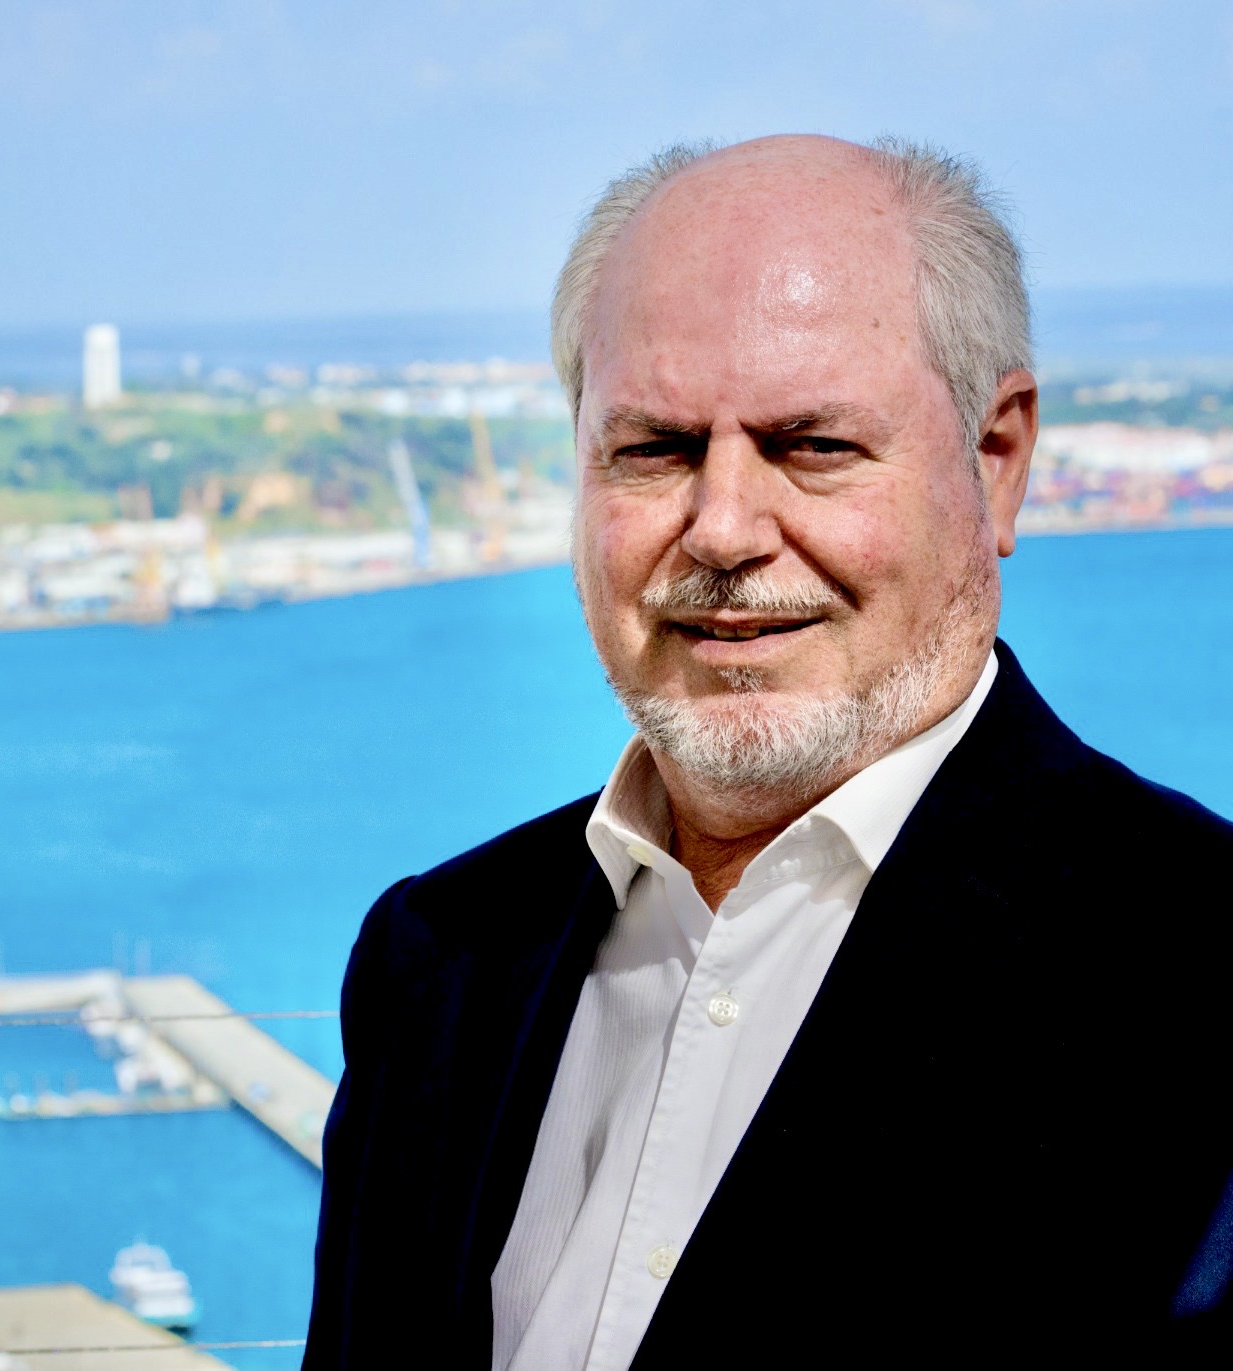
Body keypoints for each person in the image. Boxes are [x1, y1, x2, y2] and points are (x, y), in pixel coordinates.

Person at [303, 134, 1233, 1368]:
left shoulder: (1201, 975)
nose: (725, 530)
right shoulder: (439, 960)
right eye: (655, 449)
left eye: (812, 446)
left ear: (997, 459)